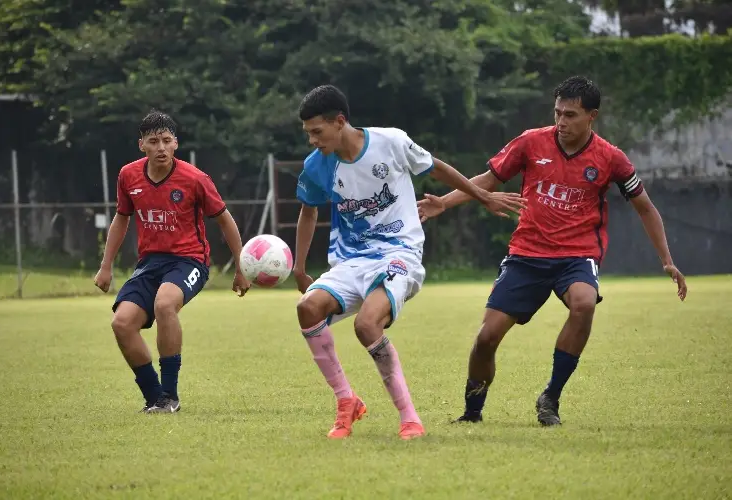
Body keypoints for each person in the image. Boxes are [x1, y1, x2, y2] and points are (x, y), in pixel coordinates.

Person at [417, 76, 688, 426]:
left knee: (584, 303)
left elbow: (646, 208)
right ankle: (472, 412)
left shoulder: (611, 159)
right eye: (558, 113)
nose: (561, 122)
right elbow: (488, 179)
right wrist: (445, 203)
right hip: (527, 255)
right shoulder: (531, 142)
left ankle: (551, 398)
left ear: (592, 115)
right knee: (486, 337)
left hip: (577, 255)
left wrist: (667, 261)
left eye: (571, 115)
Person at [293, 84, 527, 440]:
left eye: (317, 131)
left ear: (339, 121)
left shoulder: (391, 142)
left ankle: (409, 417)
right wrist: (298, 266)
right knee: (307, 308)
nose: (312, 140)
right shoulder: (316, 166)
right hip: (352, 260)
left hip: (399, 252)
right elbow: (308, 212)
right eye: (308, 133)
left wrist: (483, 196)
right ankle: (347, 401)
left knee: (367, 325)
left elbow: (437, 169)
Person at [94, 110, 251, 413]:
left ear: (176, 143)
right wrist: (105, 266)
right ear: (142, 145)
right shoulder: (128, 175)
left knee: (165, 304)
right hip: (150, 263)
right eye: (154, 141)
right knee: (122, 323)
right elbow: (121, 218)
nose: (161, 147)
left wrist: (241, 268)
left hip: (189, 260)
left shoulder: (195, 179)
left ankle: (170, 395)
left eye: (167, 140)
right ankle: (155, 397)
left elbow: (225, 221)